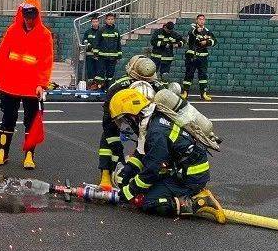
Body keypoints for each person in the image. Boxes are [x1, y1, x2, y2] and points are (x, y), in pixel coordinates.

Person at [107, 87, 225, 222]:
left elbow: (152, 169)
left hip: (190, 178)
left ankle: (200, 202)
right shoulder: (153, 119)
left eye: (124, 120)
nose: (125, 125)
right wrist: (127, 172)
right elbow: (142, 154)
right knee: (144, 187)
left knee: (150, 202)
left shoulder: (156, 132)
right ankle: (185, 192)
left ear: (132, 115)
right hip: (182, 170)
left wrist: (130, 191)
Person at [0, 0, 53, 170]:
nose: (28, 20)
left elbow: (46, 61)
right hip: (10, 82)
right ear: (22, 15)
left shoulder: (44, 34)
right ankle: (3, 152)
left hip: (31, 85)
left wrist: (41, 83)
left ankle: (29, 155)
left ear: (37, 16)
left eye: (31, 17)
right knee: (8, 117)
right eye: (26, 17)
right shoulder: (12, 30)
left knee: (30, 121)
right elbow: (2, 54)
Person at [95, 55, 160, 191]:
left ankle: (138, 175)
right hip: (130, 117)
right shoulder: (159, 86)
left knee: (151, 145)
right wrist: (116, 145)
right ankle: (107, 175)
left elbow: (108, 118)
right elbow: (109, 120)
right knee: (110, 139)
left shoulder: (118, 86)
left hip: (147, 119)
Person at [182, 14, 216, 101]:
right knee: (189, 74)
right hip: (192, 56)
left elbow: (214, 41)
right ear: (196, 20)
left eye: (203, 19)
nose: (201, 21)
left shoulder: (207, 31)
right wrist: (197, 30)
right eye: (200, 19)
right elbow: (192, 34)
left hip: (203, 57)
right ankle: (185, 92)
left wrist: (206, 42)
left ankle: (203, 93)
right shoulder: (192, 29)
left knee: (203, 75)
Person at [94, 13, 121, 89]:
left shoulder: (116, 31)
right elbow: (96, 42)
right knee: (100, 73)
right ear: (106, 20)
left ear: (114, 20)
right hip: (102, 56)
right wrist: (96, 54)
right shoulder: (101, 30)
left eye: (112, 19)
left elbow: (118, 44)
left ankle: (108, 87)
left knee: (110, 73)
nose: (110, 21)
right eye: (109, 19)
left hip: (113, 57)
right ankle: (99, 87)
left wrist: (119, 56)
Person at [83, 15, 101, 89]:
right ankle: (90, 85)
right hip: (89, 55)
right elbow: (84, 42)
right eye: (93, 22)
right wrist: (91, 47)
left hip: (99, 55)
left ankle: (97, 86)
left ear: (99, 22)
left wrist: (97, 49)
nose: (95, 23)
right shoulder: (88, 32)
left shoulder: (101, 31)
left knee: (98, 71)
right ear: (91, 23)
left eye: (96, 21)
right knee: (90, 71)